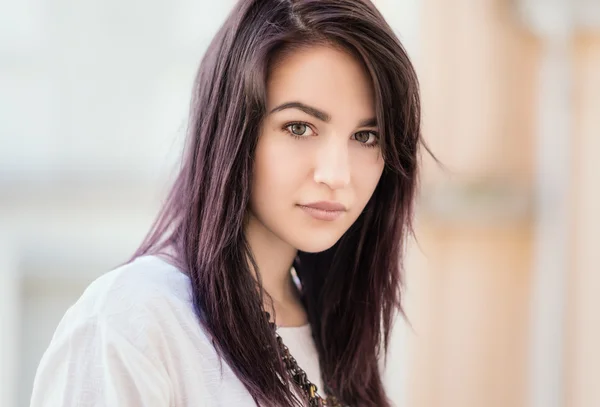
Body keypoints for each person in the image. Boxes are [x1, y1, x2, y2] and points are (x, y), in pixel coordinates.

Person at [30, 0, 422, 405]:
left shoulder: (335, 331)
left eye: (365, 137)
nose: (337, 174)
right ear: (234, 129)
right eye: (300, 127)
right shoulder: (134, 321)